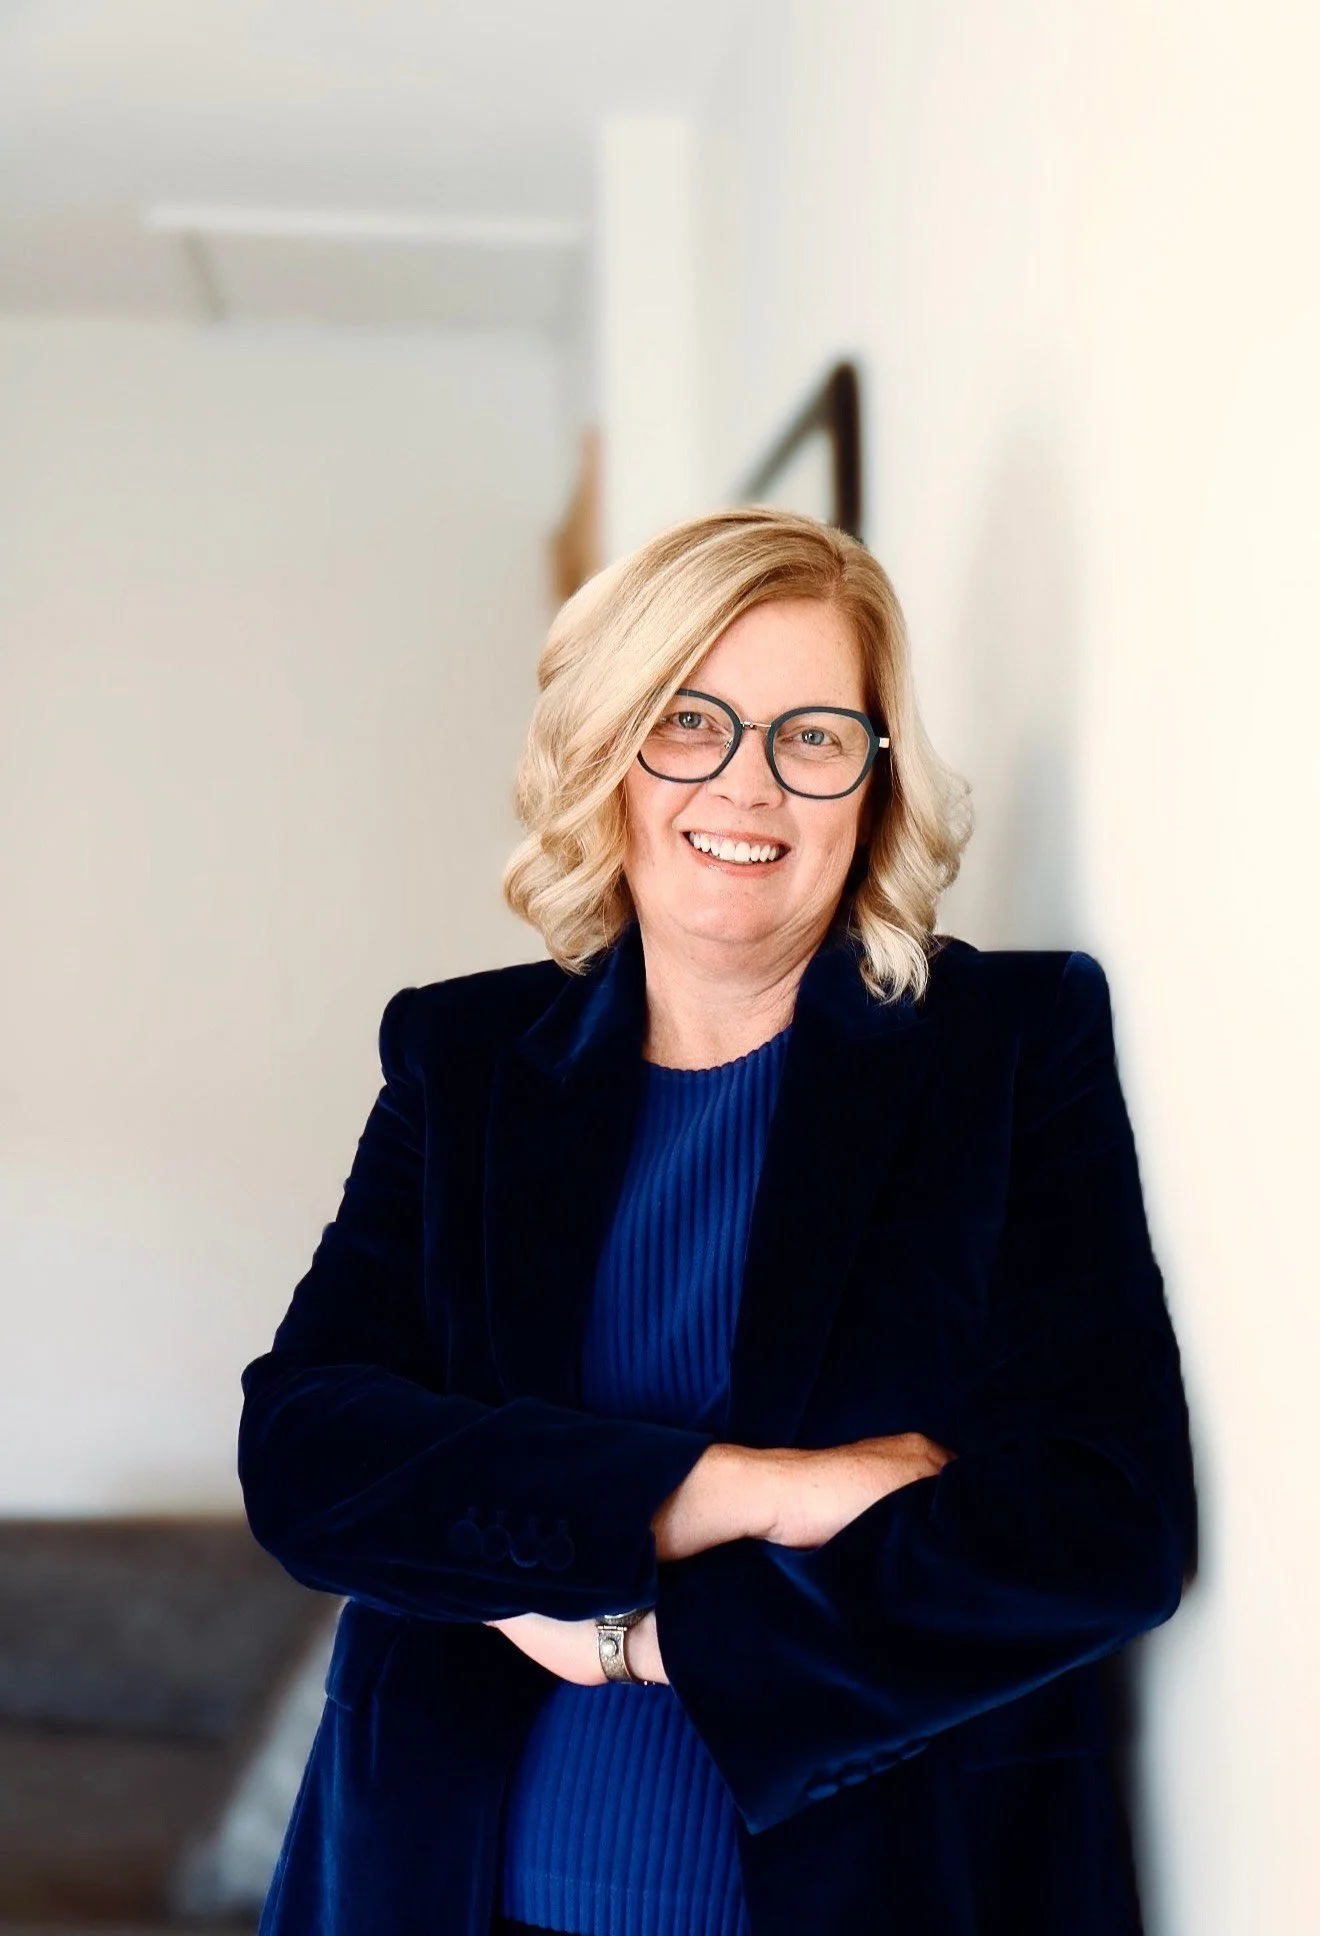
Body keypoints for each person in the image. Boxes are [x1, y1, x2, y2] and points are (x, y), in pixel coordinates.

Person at [237, 506, 1196, 1936]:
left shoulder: (1005, 1048)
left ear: (873, 781)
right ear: (609, 754)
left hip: (893, 1892)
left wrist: (639, 1634)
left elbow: (1100, 1521)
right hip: (436, 1889)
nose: (749, 784)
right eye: (690, 722)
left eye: (813, 735)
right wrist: (753, 1490)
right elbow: (308, 1454)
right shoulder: (465, 1060)